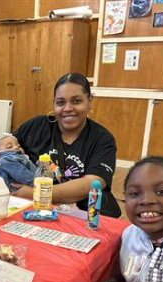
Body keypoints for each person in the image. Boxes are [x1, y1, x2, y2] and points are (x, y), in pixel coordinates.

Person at [12, 72, 120, 217]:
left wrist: (34, 193)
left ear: (89, 100)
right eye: (60, 102)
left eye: (76, 101)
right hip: (31, 212)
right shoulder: (35, 127)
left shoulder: (102, 139)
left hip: (80, 217)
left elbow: (93, 183)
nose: (67, 108)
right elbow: (1, 152)